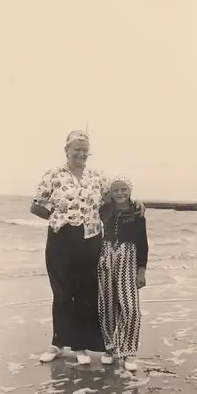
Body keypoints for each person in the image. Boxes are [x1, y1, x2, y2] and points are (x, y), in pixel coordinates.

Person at [31, 130, 145, 365]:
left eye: (85, 150)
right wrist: (57, 218)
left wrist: (135, 203)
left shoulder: (96, 176)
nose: (81, 154)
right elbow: (36, 206)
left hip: (91, 239)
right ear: (67, 151)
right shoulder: (53, 175)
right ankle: (57, 343)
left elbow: (115, 198)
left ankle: (80, 346)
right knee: (61, 293)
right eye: (77, 150)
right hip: (60, 238)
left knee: (85, 294)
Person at [98, 176, 148, 372]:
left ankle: (129, 352)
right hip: (106, 256)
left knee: (130, 307)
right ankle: (110, 349)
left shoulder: (137, 212)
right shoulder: (104, 210)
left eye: (124, 189)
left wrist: (141, 270)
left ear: (130, 191)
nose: (120, 193)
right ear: (110, 192)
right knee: (107, 305)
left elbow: (143, 243)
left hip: (129, 258)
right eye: (116, 189)